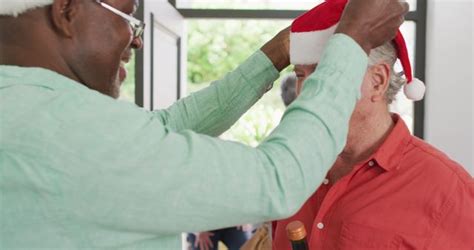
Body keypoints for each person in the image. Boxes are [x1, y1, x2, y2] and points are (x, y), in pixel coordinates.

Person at [0, 0, 409, 248]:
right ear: (67, 10)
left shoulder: (26, 108)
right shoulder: (72, 132)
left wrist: (274, 56)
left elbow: (166, 128)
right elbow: (276, 180)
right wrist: (352, 40)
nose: (137, 39)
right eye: (128, 16)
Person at [272, 1, 474, 249]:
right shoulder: (288, 171)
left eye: (326, 71)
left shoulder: (448, 191)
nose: (305, 90)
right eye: (301, 75)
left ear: (378, 81)